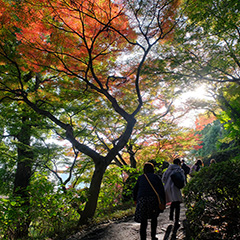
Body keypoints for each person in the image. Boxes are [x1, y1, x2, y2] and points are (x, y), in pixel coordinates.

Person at [133, 162, 166, 240]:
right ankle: (153, 236)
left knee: (143, 221)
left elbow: (135, 190)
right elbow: (161, 190)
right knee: (154, 219)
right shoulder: (156, 177)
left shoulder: (140, 178)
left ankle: (143, 238)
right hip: (153, 200)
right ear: (152, 169)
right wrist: (163, 202)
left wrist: (135, 199)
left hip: (142, 200)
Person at [162, 158, 185, 228]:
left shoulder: (168, 170)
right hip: (175, 188)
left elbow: (163, 179)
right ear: (178, 163)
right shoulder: (179, 170)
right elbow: (183, 179)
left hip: (167, 188)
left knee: (173, 202)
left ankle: (171, 216)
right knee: (177, 203)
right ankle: (176, 220)